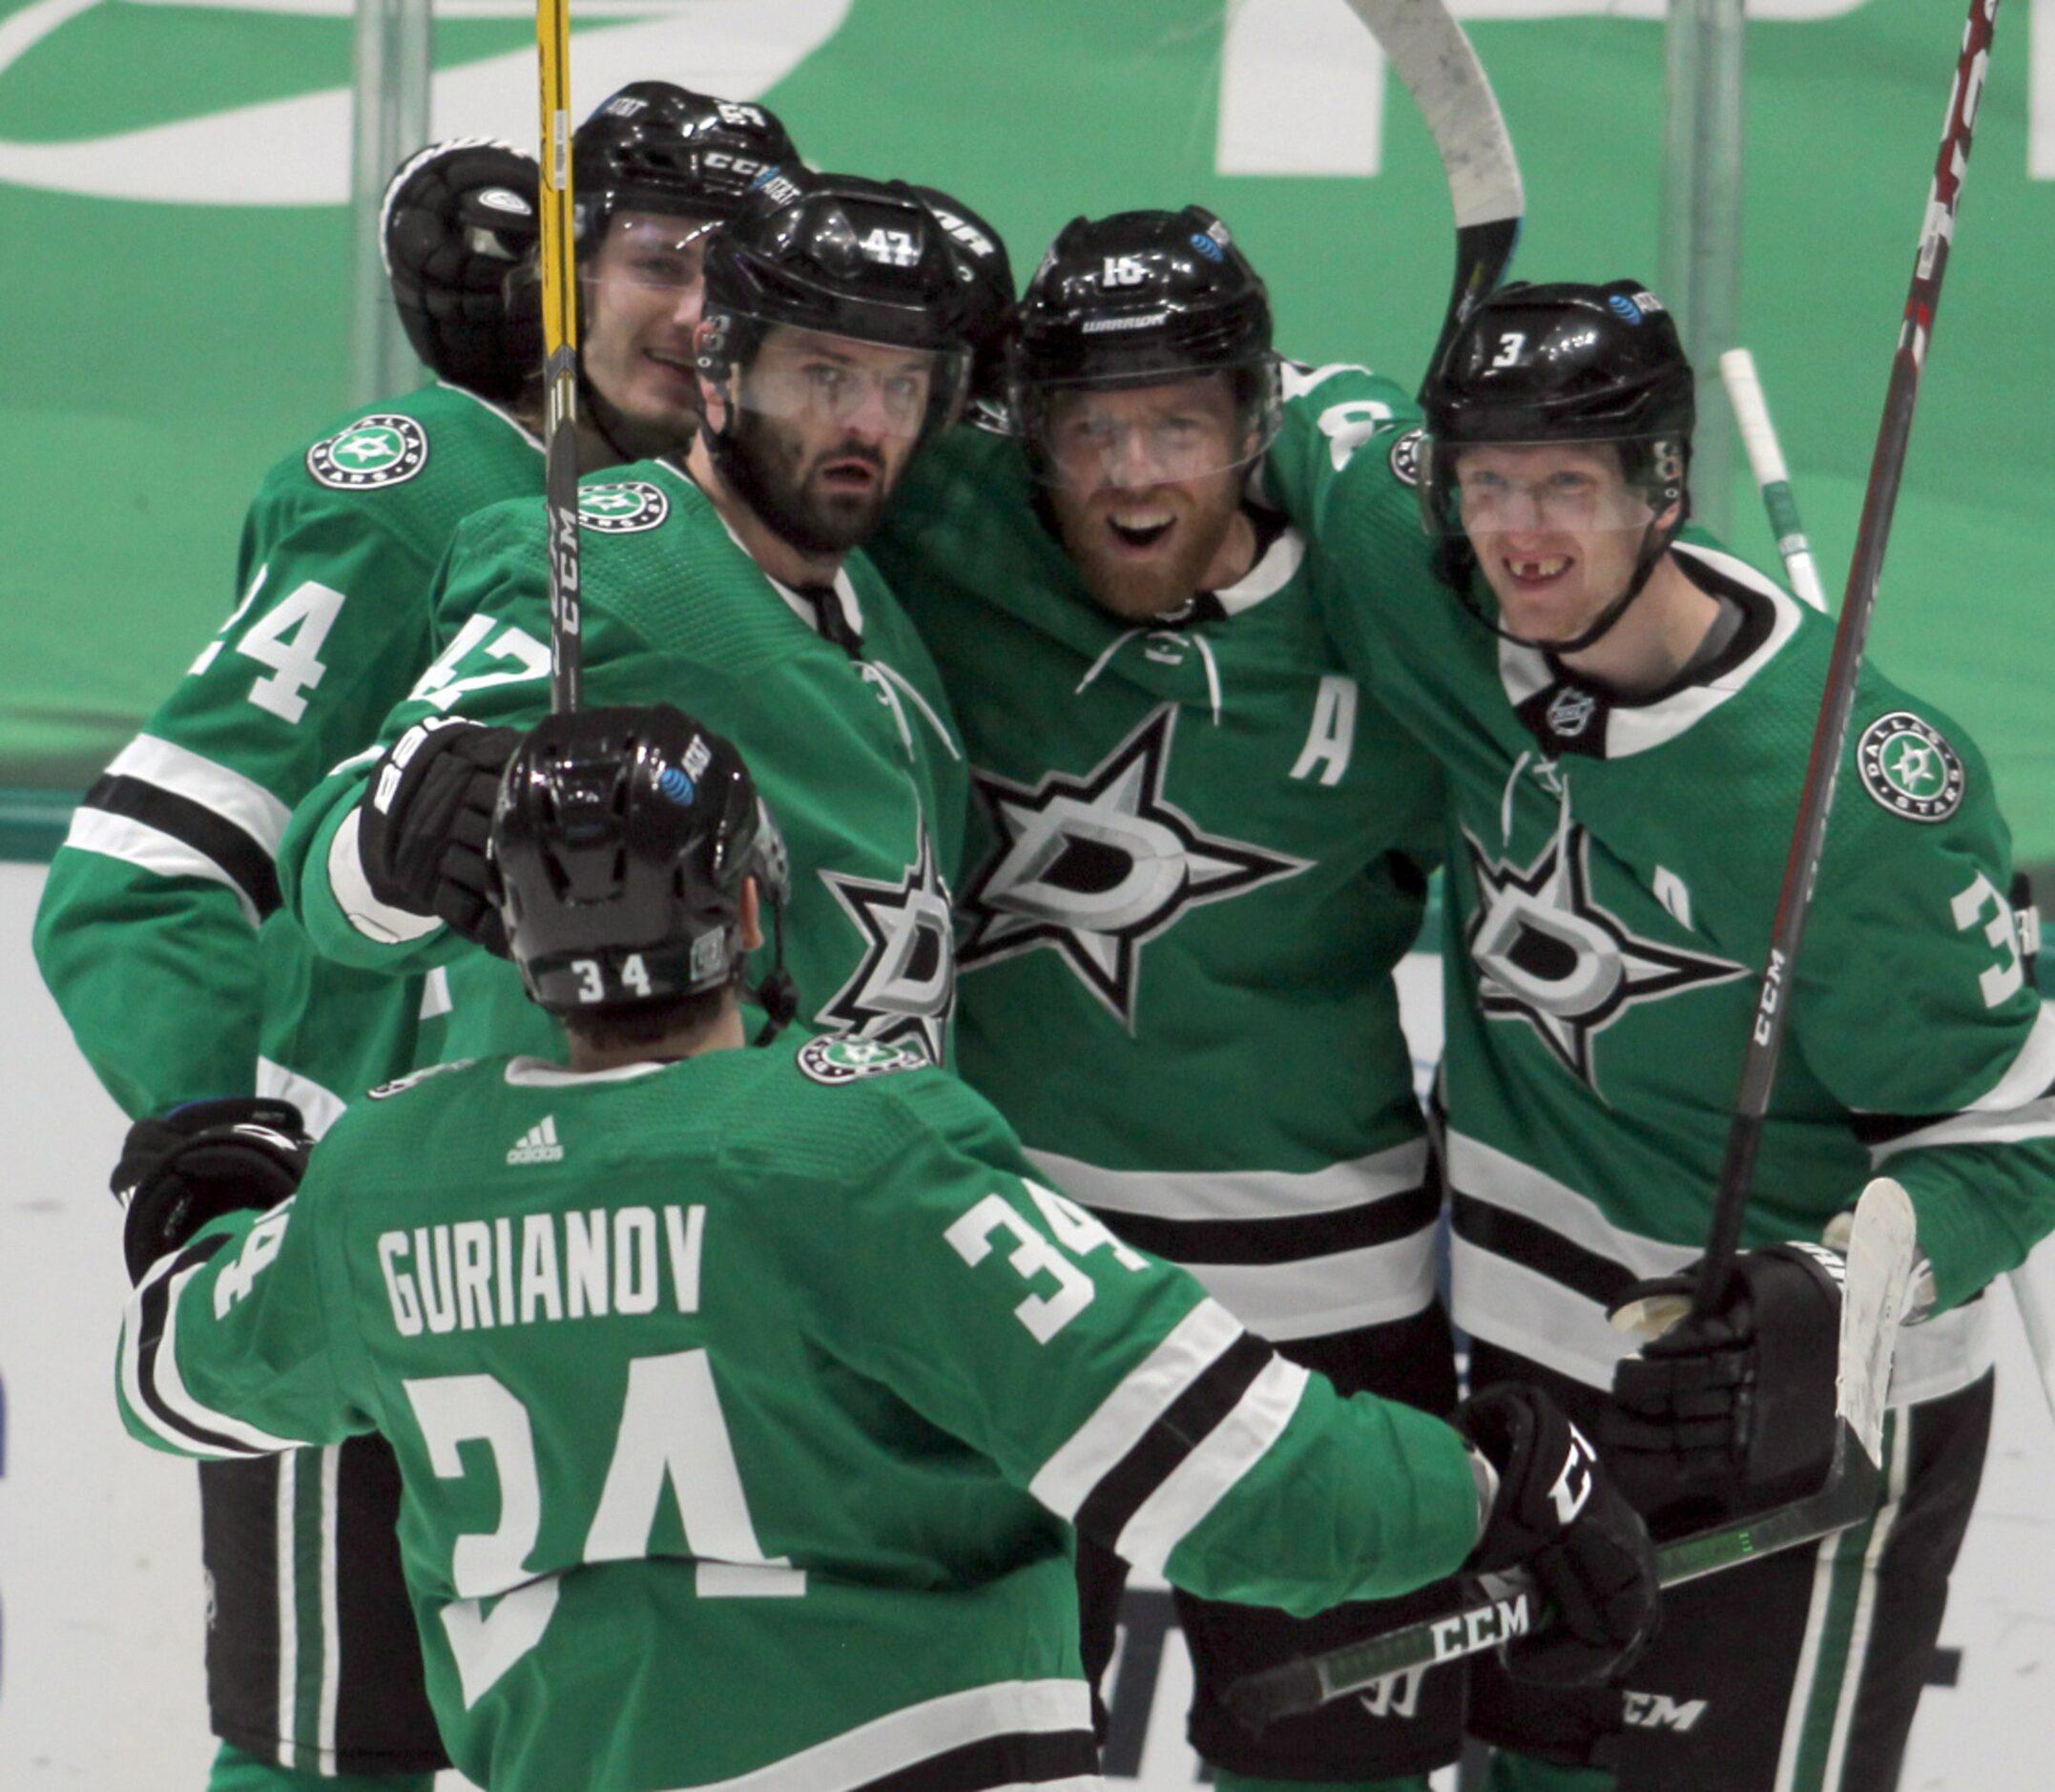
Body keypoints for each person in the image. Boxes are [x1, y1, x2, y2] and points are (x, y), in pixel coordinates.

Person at [114, 702, 1662, 1792]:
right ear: (748, 894)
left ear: (512, 929)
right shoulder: (847, 1140)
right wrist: (1479, 1490)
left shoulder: (394, 1168)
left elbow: (174, 1377)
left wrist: (212, 1200)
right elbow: (1223, 1474)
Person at [34, 84, 798, 1791]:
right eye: (656, 257)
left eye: (737, 271)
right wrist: (210, 1130)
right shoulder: (411, 490)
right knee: (332, 1748)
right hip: (372, 1232)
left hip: (628, 1261)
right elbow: (145, 862)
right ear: (560, 274)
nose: (694, 308)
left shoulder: (766, 540)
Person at [1262, 280, 2055, 1790]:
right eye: (1489, 482)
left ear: (1663, 490)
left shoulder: (1857, 793)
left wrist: (1830, 1288)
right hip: (1523, 1370)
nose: (1523, 531)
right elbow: (1277, 404)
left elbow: (2000, 1139)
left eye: (1568, 484)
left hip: (1782, 1429)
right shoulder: (1431, 574)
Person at [865, 206, 1463, 1791]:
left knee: (1335, 1771)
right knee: (969, 1760)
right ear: (1020, 431)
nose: (1131, 475)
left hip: (1328, 1312)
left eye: (1177, 426)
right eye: (1091, 430)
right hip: (1015, 1289)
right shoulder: (937, 531)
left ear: (1254, 422)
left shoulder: (1380, 611)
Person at [276, 170, 972, 1073]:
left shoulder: (872, 601)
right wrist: (398, 841)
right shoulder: (604, 565)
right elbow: (351, 864)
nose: (867, 425)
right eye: (825, 377)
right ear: (721, 375)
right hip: (668, 1177)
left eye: (901, 387)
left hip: (862, 1179)